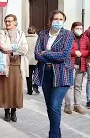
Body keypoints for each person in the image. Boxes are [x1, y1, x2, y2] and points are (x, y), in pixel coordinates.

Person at [33, 10, 74, 138]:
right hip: (46, 73)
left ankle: (53, 135)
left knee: (55, 106)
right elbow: (37, 54)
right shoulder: (43, 34)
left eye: (61, 19)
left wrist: (46, 53)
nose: (58, 21)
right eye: (55, 19)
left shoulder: (68, 34)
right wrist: (46, 55)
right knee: (50, 107)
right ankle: (57, 134)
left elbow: (64, 55)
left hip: (62, 74)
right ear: (50, 20)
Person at [0, 14, 29, 122]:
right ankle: (6, 112)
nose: (8, 23)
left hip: (17, 65)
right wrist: (16, 49)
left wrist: (13, 51)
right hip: (6, 64)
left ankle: (14, 111)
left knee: (16, 89)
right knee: (5, 89)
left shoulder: (21, 33)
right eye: (6, 21)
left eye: (10, 21)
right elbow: (2, 46)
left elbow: (25, 48)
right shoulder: (2, 32)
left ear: (15, 22)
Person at [64, 22, 89, 114]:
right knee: (69, 85)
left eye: (80, 28)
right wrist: (74, 52)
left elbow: (88, 50)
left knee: (78, 86)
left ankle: (77, 105)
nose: (79, 30)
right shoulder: (68, 37)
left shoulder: (85, 38)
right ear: (73, 29)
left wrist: (83, 53)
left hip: (81, 65)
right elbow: (65, 50)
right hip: (71, 64)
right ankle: (68, 105)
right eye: (77, 28)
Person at [26, 26, 39, 95]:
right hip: (36, 59)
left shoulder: (25, 39)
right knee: (37, 74)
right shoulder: (38, 39)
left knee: (28, 76)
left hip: (27, 60)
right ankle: (35, 85)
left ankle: (29, 90)